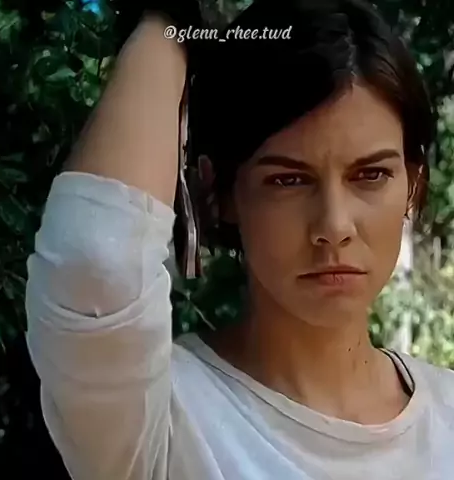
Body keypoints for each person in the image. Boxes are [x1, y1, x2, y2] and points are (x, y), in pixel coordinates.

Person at [25, 1, 454, 479]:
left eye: (371, 175)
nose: (335, 226)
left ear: (412, 185)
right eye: (288, 180)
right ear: (220, 191)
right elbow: (95, 262)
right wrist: (171, 21)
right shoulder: (159, 423)